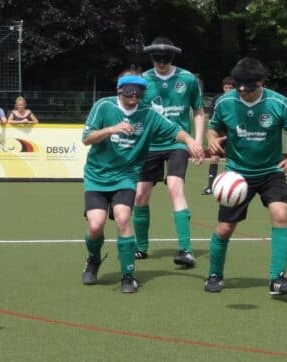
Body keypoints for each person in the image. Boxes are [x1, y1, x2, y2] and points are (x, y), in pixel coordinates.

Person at [81, 69, 205, 293]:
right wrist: (111, 129)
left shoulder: (147, 114)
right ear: (119, 90)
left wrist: (190, 141)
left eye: (138, 94)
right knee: (95, 225)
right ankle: (93, 259)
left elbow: (174, 130)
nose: (134, 98)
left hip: (126, 176)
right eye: (129, 93)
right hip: (97, 175)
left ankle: (128, 276)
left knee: (123, 218)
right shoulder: (104, 106)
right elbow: (86, 138)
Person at [204, 58, 287, 296]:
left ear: (261, 82)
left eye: (248, 88)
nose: (242, 92)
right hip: (237, 174)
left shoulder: (279, 103)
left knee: (281, 215)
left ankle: (277, 279)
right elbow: (213, 127)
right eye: (238, 86)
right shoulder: (225, 102)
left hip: (271, 171)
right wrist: (210, 139)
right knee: (225, 228)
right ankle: (214, 274)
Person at [132, 37, 206, 268]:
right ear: (151, 57)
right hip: (149, 145)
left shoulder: (187, 79)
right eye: (157, 58)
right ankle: (141, 247)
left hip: (178, 143)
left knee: (175, 188)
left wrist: (197, 141)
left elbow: (199, 111)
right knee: (140, 195)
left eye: (166, 58)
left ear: (173, 57)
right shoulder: (143, 80)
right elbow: (134, 113)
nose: (161, 62)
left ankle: (185, 249)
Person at [201, 76, 235, 195]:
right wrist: (212, 135)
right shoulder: (217, 100)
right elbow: (211, 119)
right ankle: (210, 186)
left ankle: (231, 186)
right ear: (223, 88)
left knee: (232, 161)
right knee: (214, 158)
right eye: (226, 87)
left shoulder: (238, 100)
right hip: (219, 133)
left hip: (233, 133)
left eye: (230, 88)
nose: (228, 90)